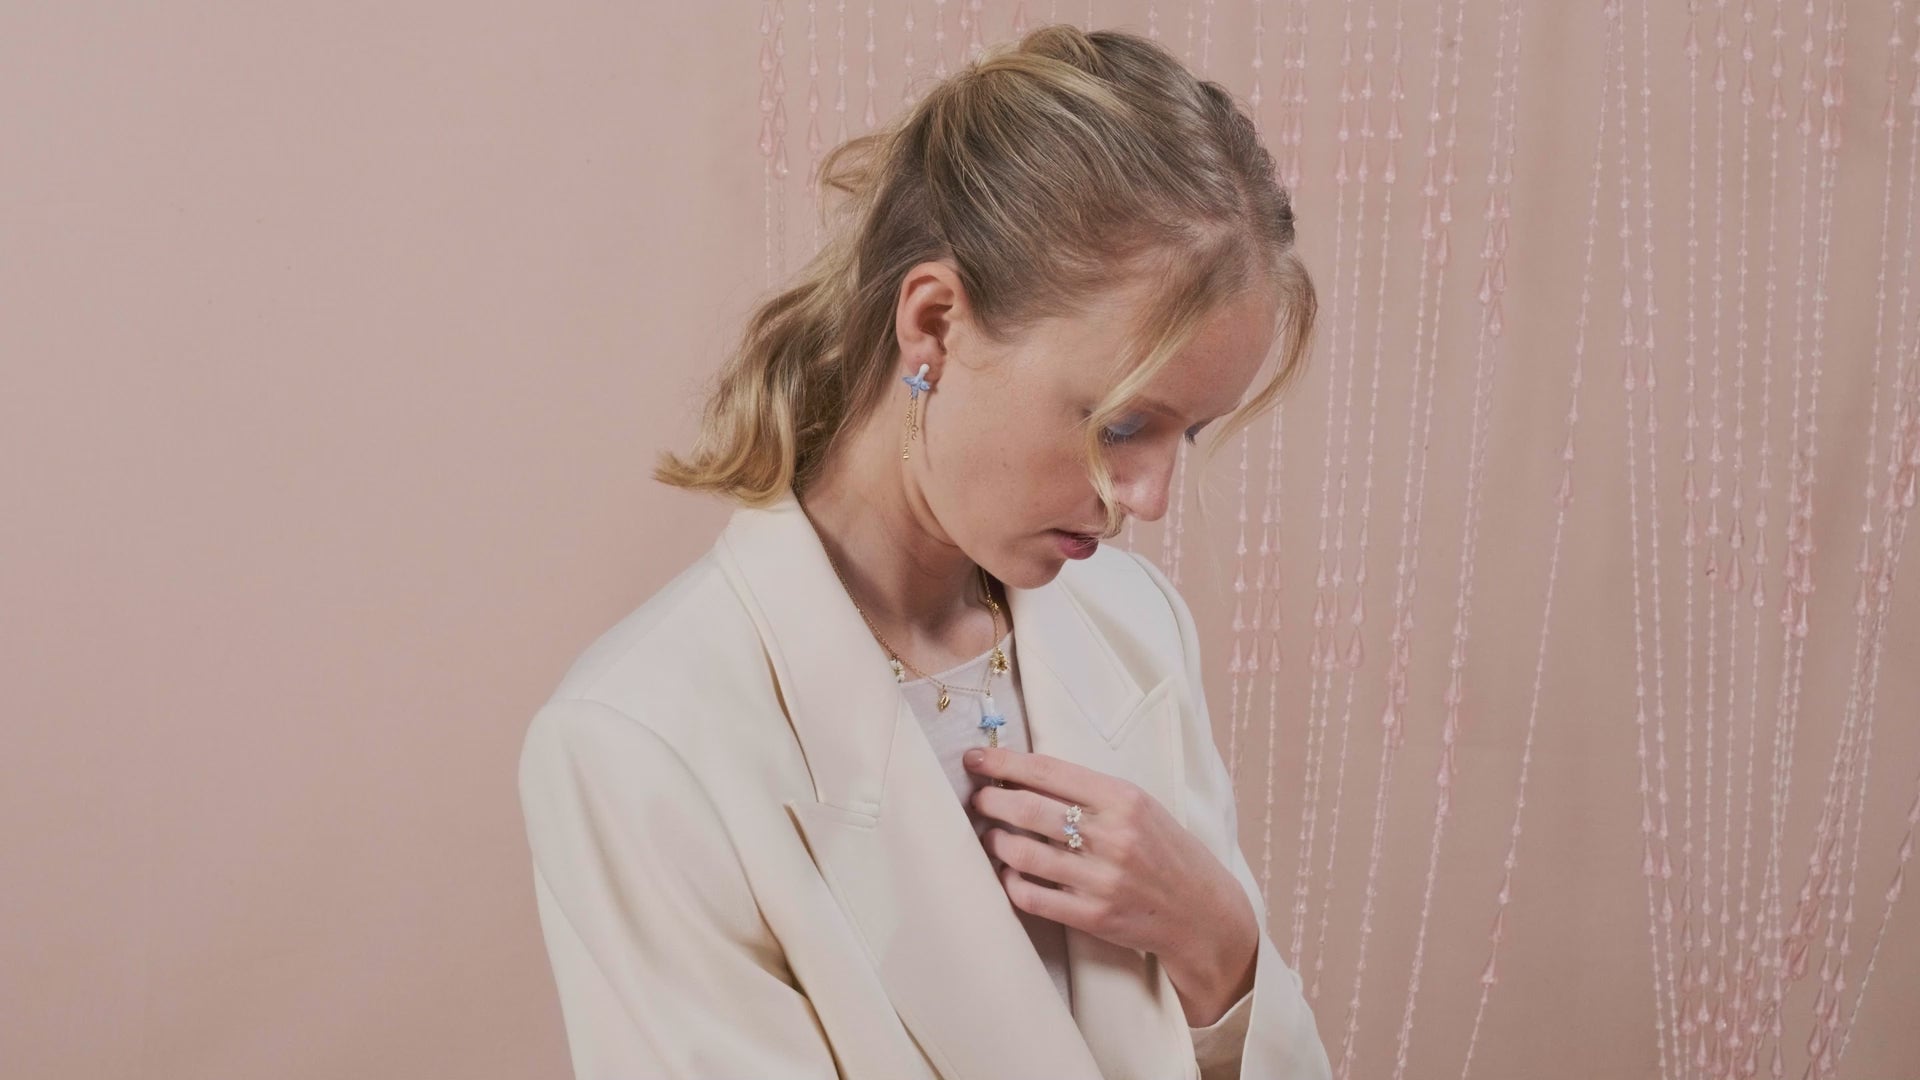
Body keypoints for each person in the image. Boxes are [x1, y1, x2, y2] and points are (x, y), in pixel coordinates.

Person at [516, 23, 1329, 1080]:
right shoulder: (640, 742)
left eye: (1191, 434)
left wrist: (1217, 942)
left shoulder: (1136, 627)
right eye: (1123, 423)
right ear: (935, 323)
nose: (1150, 497)